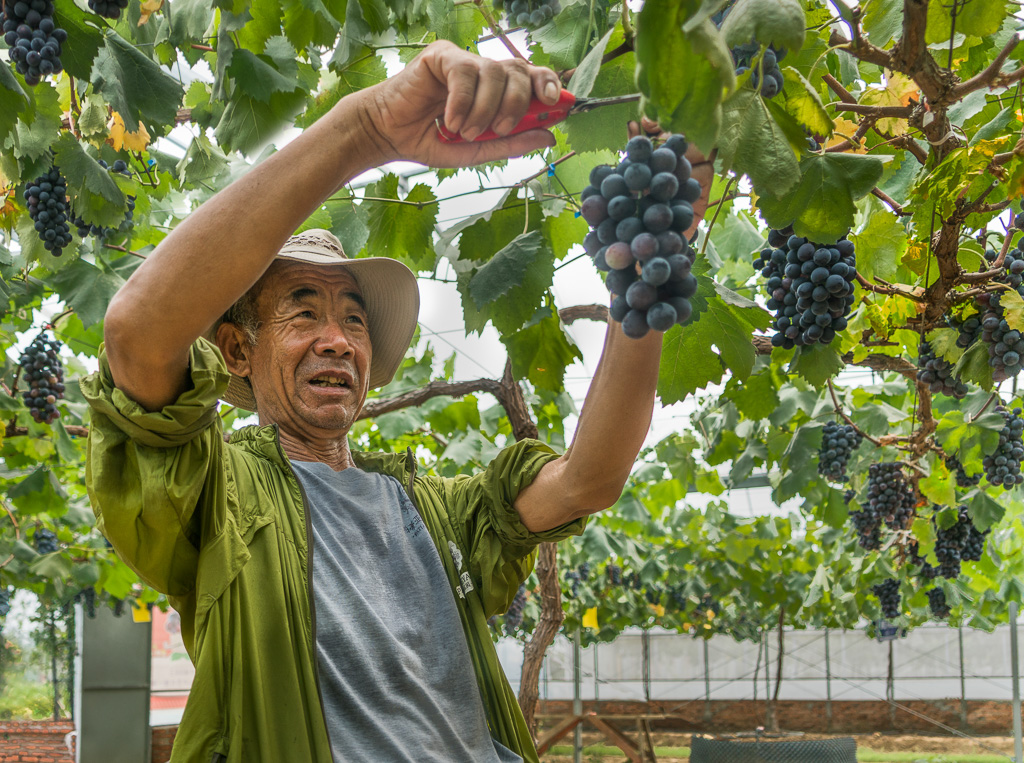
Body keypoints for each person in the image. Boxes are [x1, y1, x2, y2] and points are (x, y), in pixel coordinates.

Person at [81, 42, 710, 762]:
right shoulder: (217, 493)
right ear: (235, 351)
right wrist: (367, 131)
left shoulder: (433, 506)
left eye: (354, 318)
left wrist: (652, 273)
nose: (337, 340)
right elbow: (136, 334)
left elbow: (588, 479)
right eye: (303, 312)